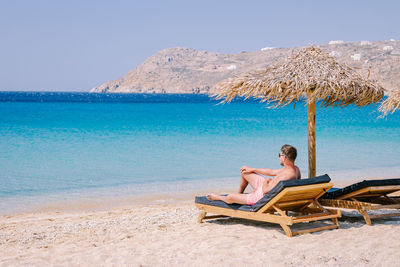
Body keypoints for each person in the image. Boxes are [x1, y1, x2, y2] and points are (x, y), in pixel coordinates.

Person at [206, 144, 301, 205]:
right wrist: (253, 169)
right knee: (245, 171)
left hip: (261, 197)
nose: (279, 158)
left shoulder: (285, 177)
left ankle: (218, 198)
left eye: (279, 155)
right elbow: (272, 172)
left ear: (284, 158)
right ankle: (239, 195)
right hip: (267, 189)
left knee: (230, 197)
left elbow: (265, 190)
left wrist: (267, 181)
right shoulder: (295, 170)